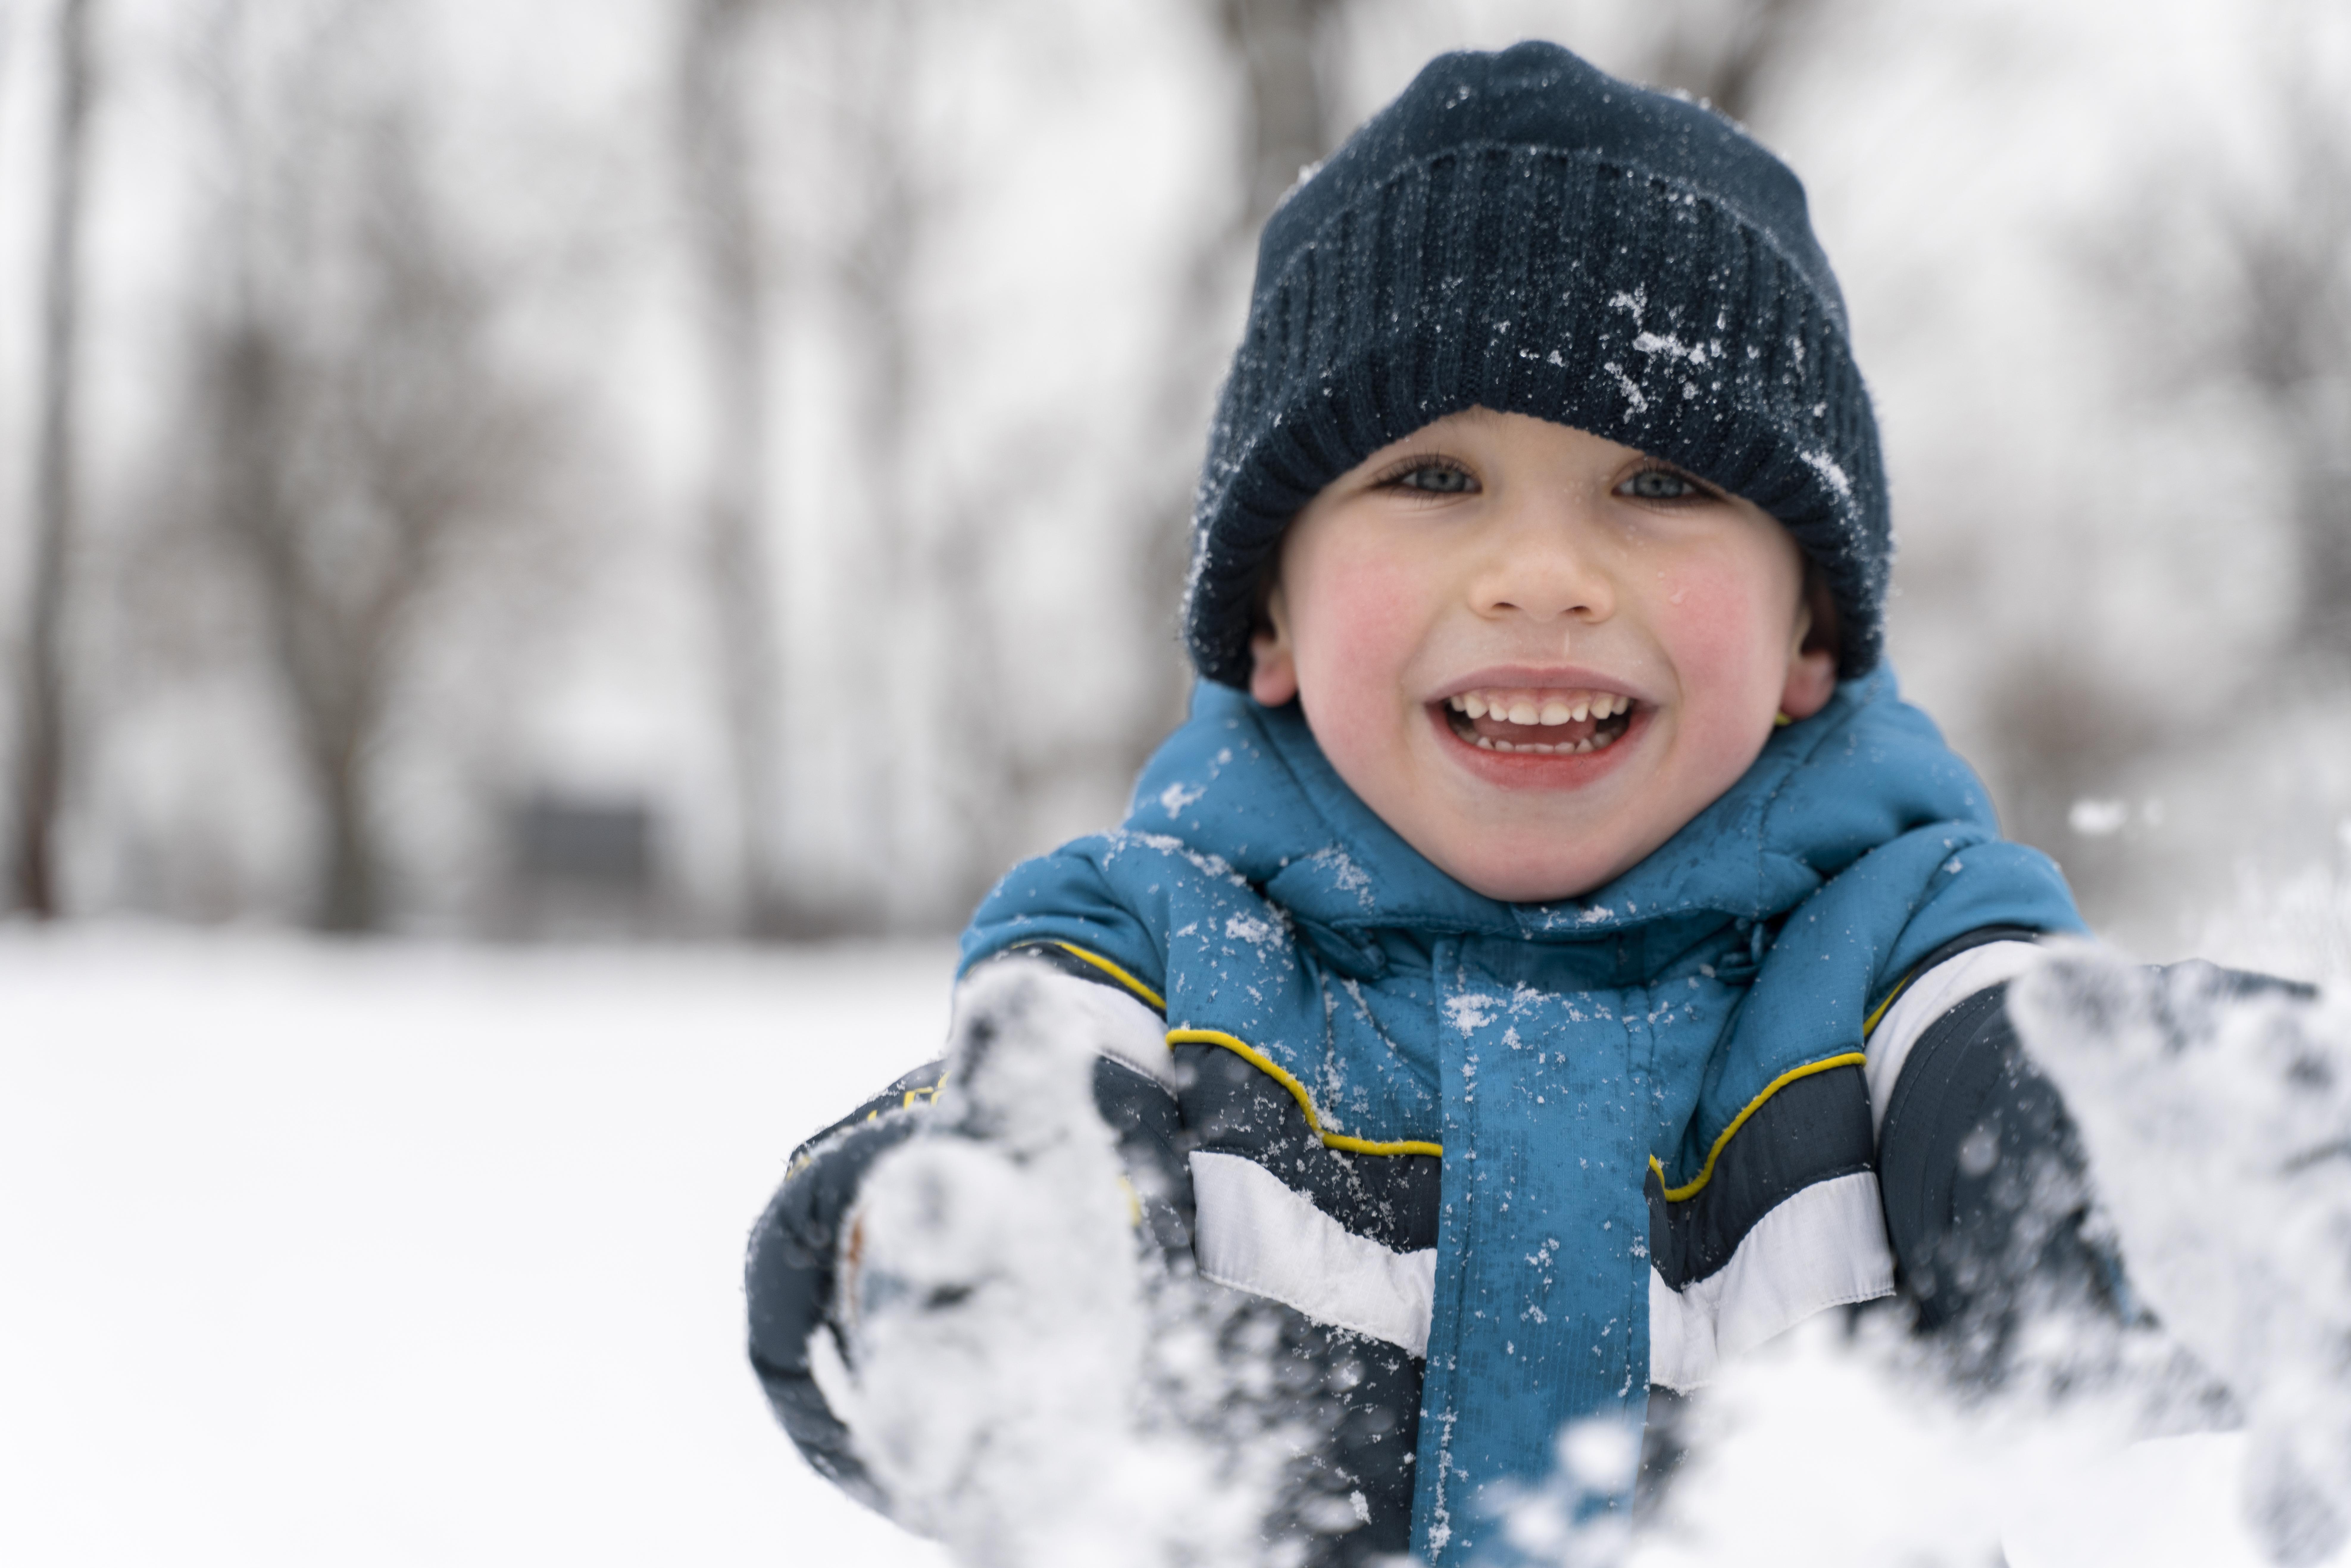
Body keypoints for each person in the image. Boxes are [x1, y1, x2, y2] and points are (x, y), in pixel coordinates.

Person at [745, 40, 2139, 1566]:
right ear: (1265, 617)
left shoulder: (1909, 954)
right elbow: (1001, 1162)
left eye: (1659, 483)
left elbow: (2059, 1142)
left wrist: (2215, 1182)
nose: (1542, 572)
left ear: (1811, 629)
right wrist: (961, 1263)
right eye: (1433, 479)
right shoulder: (1147, 951)